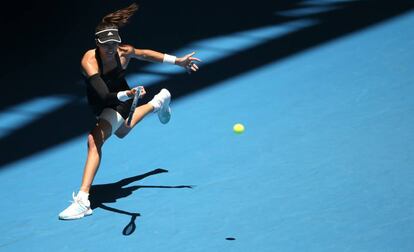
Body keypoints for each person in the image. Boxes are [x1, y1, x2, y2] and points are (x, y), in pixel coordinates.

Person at [58, 2, 201, 220]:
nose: (109, 48)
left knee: (94, 140)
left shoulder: (124, 53)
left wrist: (177, 61)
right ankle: (159, 102)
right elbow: (104, 95)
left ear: (118, 42)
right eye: (105, 44)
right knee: (123, 131)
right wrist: (130, 93)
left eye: (113, 43)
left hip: (121, 100)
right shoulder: (89, 61)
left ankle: (82, 201)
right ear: (97, 42)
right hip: (105, 99)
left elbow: (145, 54)